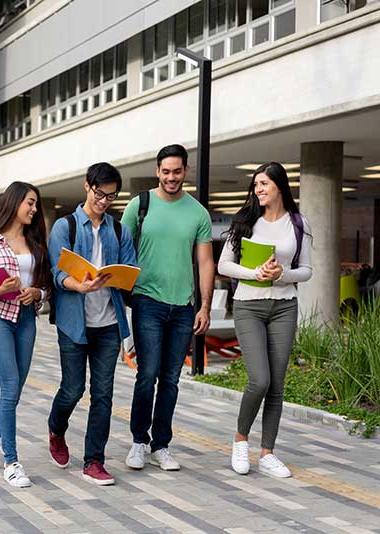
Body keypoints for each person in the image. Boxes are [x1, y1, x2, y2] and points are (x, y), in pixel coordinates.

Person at [121, 144, 214, 471]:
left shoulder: (198, 213)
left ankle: (161, 444)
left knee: (170, 379)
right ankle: (138, 440)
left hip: (183, 307)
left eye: (177, 171)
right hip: (147, 301)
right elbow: (121, 249)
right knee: (147, 374)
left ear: (185, 171)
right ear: (157, 171)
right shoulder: (139, 205)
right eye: (165, 171)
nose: (171, 177)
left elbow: (205, 261)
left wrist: (205, 307)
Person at [218, 162, 312, 478]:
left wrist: (282, 274)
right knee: (260, 379)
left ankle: (268, 452)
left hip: (285, 307)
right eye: (256, 184)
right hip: (249, 307)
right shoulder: (245, 221)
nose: (258, 189)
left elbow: (307, 270)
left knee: (277, 383)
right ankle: (240, 440)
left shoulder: (298, 223)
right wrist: (255, 273)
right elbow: (224, 266)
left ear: (280, 186)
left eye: (264, 183)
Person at [47, 163, 137, 485]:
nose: (104, 201)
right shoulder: (65, 227)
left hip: (109, 324)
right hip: (74, 323)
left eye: (111, 197)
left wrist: (121, 276)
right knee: (73, 389)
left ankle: (94, 461)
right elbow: (56, 275)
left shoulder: (118, 230)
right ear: (87, 186)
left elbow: (131, 270)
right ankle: (56, 428)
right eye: (100, 193)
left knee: (103, 394)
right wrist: (78, 285)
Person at [0, 181, 50, 488]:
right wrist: (0, 289)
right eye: (29, 202)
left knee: (15, 391)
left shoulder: (36, 244)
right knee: (10, 387)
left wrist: (37, 292)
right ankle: (12, 462)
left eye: (35, 204)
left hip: (27, 321)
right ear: (14, 203)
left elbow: (47, 288)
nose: (33, 209)